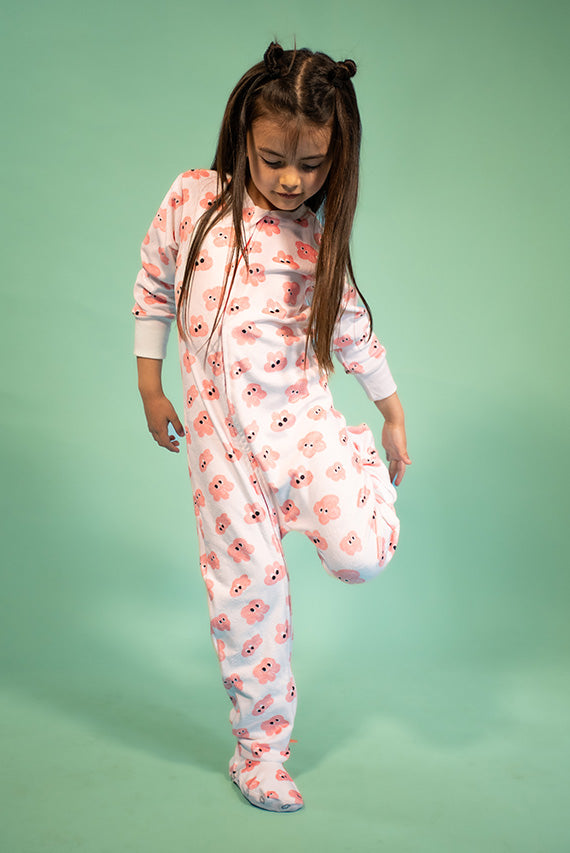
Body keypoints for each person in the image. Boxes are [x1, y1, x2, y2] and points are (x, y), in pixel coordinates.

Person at [132, 42, 411, 813]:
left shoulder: (315, 239)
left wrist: (389, 411)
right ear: (242, 138)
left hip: (301, 431)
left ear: (335, 158)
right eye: (274, 159)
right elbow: (153, 282)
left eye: (313, 165)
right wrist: (150, 384)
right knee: (246, 595)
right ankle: (258, 753)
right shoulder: (193, 200)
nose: (292, 180)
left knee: (363, 556)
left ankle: (355, 464)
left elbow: (351, 329)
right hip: (222, 451)